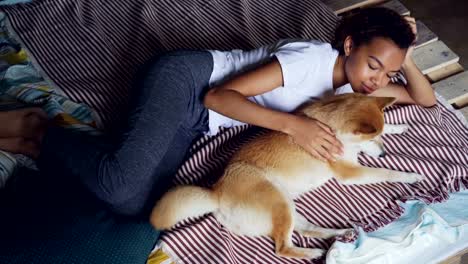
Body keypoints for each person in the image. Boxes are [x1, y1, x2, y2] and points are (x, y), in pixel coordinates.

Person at [33, 7, 435, 216]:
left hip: (200, 123)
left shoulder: (353, 86)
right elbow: (217, 97)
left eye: (389, 73)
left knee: (131, 204)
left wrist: (408, 56)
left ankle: (55, 145)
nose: (376, 80)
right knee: (119, 184)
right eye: (373, 64)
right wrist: (295, 126)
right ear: (349, 46)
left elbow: (423, 99)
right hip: (187, 83)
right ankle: (42, 130)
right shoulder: (310, 61)